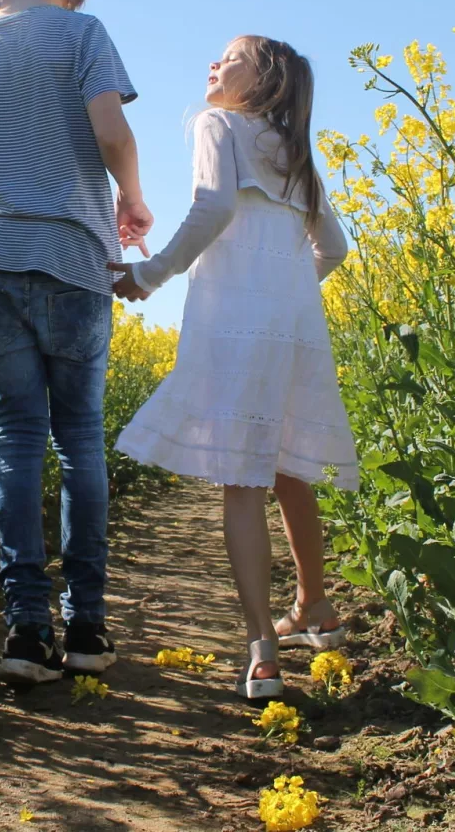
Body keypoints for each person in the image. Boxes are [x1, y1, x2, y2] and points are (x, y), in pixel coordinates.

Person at [0, 0, 152, 685]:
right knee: (79, 438)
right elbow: (111, 130)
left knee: (17, 440)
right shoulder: (81, 33)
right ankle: (86, 626)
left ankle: (25, 631)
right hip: (70, 255)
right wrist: (132, 196)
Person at [111, 36, 357, 699]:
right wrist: (287, 292)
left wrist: (152, 273)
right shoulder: (295, 152)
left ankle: (263, 652)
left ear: (266, 76)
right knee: (288, 469)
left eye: (230, 57)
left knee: (241, 483)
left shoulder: (217, 123)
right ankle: (315, 608)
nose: (213, 65)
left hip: (234, 324)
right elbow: (332, 246)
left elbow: (215, 207)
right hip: (292, 324)